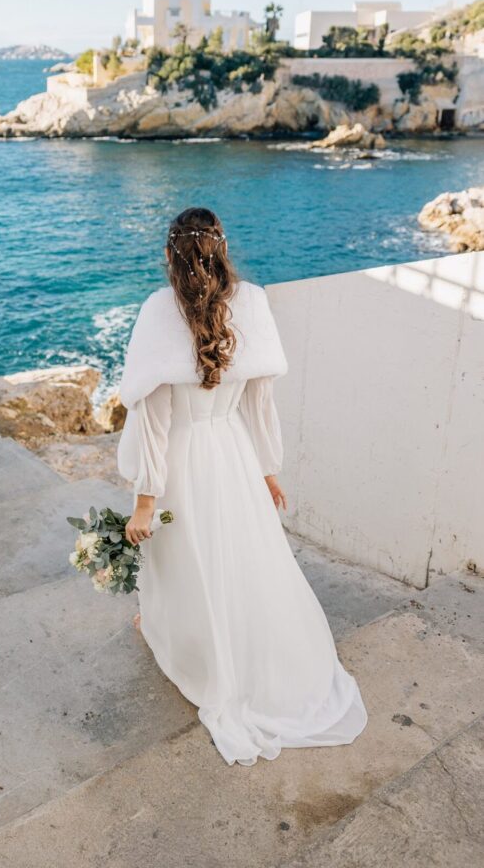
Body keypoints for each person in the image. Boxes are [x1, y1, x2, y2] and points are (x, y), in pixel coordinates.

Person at [117, 206, 367, 766]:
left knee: (184, 557)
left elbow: (156, 421)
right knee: (240, 558)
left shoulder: (159, 311)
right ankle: (224, 644)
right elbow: (259, 401)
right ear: (222, 250)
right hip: (231, 451)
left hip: (185, 457)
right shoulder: (251, 302)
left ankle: (179, 639)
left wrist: (145, 502)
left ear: (169, 257)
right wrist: (267, 468)